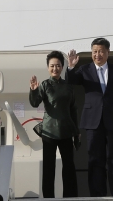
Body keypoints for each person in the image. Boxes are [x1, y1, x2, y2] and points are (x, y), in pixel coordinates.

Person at [66, 38, 113, 197]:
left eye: (101, 51)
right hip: (93, 121)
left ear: (108, 52)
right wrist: (70, 67)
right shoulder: (84, 69)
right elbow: (71, 81)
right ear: (91, 53)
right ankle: (97, 195)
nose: (98, 54)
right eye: (95, 51)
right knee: (95, 161)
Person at [29, 51, 79, 198]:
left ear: (62, 67)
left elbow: (73, 109)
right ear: (48, 68)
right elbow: (34, 102)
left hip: (66, 131)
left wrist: (77, 131)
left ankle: (70, 197)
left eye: (58, 65)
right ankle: (48, 198)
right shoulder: (44, 84)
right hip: (49, 132)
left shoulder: (68, 86)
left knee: (69, 167)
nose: (55, 68)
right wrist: (33, 90)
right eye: (52, 66)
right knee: (49, 167)